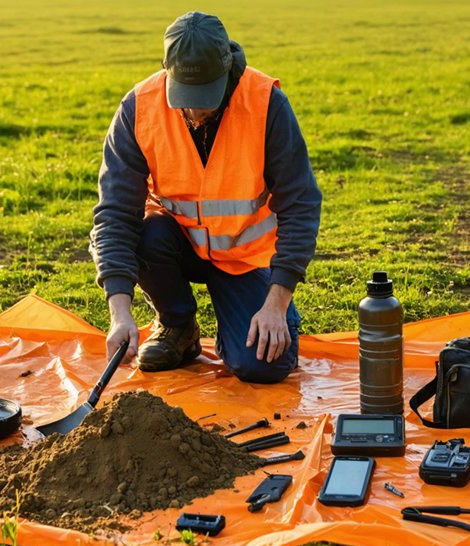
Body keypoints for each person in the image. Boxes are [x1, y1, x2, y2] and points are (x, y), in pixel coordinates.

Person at [89, 11, 321, 383]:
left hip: (245, 259)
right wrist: (120, 311)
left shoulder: (267, 104)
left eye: (205, 99)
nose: (195, 111)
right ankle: (178, 327)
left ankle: (258, 321)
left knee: (261, 366)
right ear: (167, 71)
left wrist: (276, 305)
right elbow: (115, 214)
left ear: (228, 71)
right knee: (147, 233)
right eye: (186, 98)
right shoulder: (138, 108)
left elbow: (301, 206)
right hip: (173, 246)